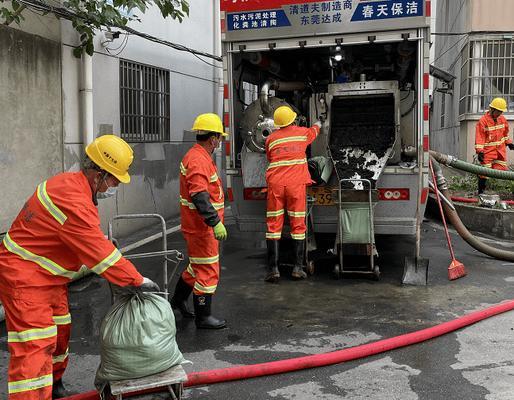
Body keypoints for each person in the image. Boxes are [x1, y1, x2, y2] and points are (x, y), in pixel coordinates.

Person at [0, 135, 159, 399]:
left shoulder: (73, 187)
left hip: (47, 277)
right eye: (115, 179)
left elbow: (88, 242)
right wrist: (136, 280)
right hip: (25, 277)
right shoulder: (72, 199)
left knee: (61, 329)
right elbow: (99, 253)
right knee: (36, 345)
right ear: (99, 174)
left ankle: (54, 385)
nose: (116, 185)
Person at [171, 113, 227, 329]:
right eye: (219, 138)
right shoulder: (198, 159)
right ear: (212, 138)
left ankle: (177, 301)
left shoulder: (199, 156)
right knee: (207, 269)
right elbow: (199, 195)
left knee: (196, 267)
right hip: (202, 228)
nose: (220, 142)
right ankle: (204, 317)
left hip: (199, 226)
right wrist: (215, 222)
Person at [264, 106, 323, 283]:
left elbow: (269, 157)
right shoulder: (302, 133)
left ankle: (273, 269)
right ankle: (297, 268)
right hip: (295, 184)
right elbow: (314, 132)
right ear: (293, 120)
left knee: (274, 225)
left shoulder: (271, 139)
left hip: (275, 185)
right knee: (298, 225)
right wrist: (320, 122)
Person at [475, 97, 514, 194]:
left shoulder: (502, 119)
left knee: (501, 171)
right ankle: (481, 192)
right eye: (498, 111)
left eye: (501, 111)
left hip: (500, 151)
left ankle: (499, 191)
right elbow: (480, 137)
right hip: (487, 152)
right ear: (492, 110)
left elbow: (505, 134)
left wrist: (508, 143)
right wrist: (480, 152)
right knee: (484, 173)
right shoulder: (483, 121)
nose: (500, 113)